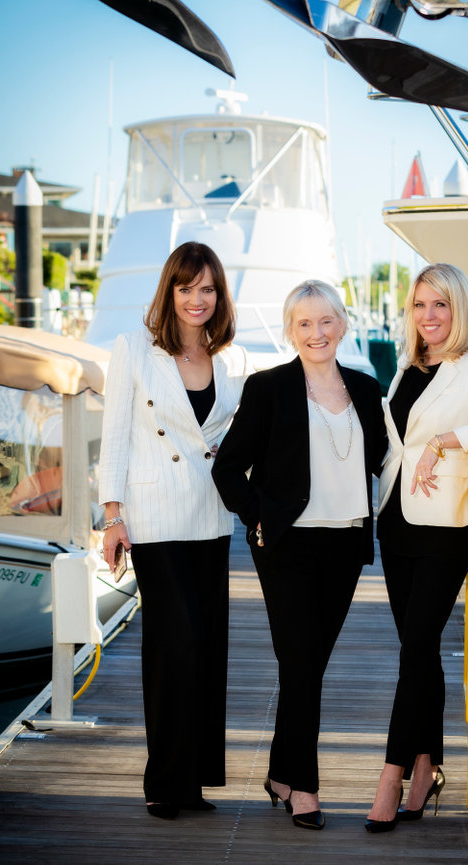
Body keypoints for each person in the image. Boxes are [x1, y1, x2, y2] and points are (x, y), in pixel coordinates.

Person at [212, 280, 386, 831]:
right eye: (305, 323)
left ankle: (280, 773)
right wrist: (257, 516)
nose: (317, 332)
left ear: (343, 324)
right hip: (286, 545)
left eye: (326, 320)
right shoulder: (268, 388)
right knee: (302, 662)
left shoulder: (366, 389)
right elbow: (227, 468)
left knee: (306, 666)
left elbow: (386, 458)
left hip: (345, 542)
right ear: (291, 331)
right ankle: (304, 789)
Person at [365, 262, 468, 833]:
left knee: (416, 648)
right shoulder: (409, 365)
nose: (428, 316)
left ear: (460, 309)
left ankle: (391, 775)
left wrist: (445, 441)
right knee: (419, 649)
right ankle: (427, 766)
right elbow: (395, 443)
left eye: (440, 305)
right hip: (396, 520)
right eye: (419, 305)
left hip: (445, 526)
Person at [98, 241, 250, 820]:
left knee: (207, 649)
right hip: (155, 517)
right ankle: (163, 781)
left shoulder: (230, 358)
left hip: (210, 517)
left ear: (219, 295)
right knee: (174, 646)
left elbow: (241, 438)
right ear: (170, 290)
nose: (196, 299)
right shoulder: (135, 348)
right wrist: (113, 517)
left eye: (207, 289)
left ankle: (193, 781)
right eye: (186, 288)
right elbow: (115, 436)